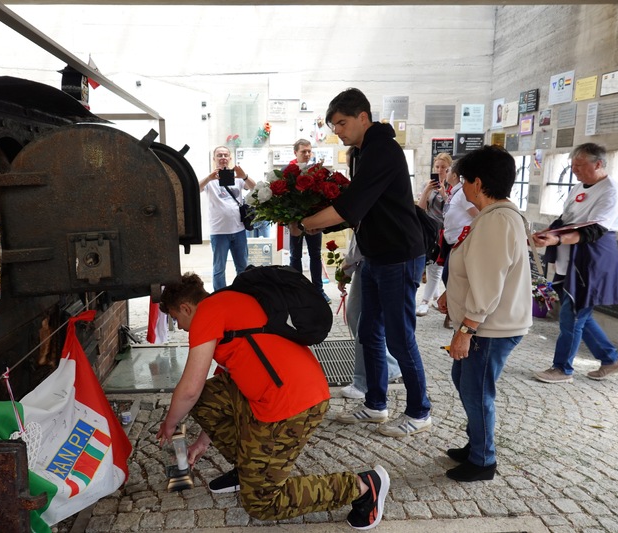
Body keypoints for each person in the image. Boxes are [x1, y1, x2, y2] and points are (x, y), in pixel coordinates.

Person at [155, 273, 390, 530]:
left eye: (177, 319)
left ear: (187, 307)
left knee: (262, 503)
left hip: (292, 404)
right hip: (297, 386)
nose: (180, 327)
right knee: (206, 399)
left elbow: (189, 389)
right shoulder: (229, 302)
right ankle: (248, 468)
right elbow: (221, 394)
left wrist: (170, 423)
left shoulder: (207, 313)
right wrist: (202, 441)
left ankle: (364, 486)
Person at [295, 88, 431, 438]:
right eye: (333, 125)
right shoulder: (360, 152)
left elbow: (352, 207)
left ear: (363, 117)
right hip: (375, 254)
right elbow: (360, 209)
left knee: (401, 339)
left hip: (399, 255)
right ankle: (376, 404)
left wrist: (306, 223)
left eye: (341, 123)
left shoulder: (382, 149)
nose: (337, 130)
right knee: (368, 332)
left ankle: (419, 411)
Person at [436, 145, 532, 482]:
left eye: (463, 180)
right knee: (463, 381)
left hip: (491, 327)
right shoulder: (493, 217)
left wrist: (466, 329)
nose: (460, 187)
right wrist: (452, 290)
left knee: (476, 390)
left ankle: (483, 460)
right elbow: (480, 268)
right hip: (486, 323)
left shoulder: (497, 220)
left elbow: (490, 283)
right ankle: (477, 442)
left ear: (478, 182)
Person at [532, 143, 618, 383]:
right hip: (569, 257)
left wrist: (555, 239)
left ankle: (562, 368)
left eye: (579, 165)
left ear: (598, 164)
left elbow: (593, 230)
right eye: (572, 165)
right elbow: (567, 219)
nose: (574, 170)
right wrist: (547, 232)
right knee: (579, 314)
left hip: (592, 259)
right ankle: (611, 358)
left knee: (572, 316)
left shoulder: (612, 191)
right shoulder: (578, 186)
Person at [337, 233, 402, 399]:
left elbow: (363, 236)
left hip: (380, 261)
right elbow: (360, 236)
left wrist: (348, 264)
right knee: (356, 316)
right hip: (368, 261)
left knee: (366, 325)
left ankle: (364, 382)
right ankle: (389, 367)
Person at [199, 146, 255, 290]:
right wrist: (208, 178)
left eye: (225, 155)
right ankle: (220, 297)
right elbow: (195, 189)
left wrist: (244, 176)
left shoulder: (238, 178)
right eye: (219, 155)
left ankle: (243, 294)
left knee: (242, 266)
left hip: (239, 230)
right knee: (219, 269)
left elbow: (256, 189)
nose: (223, 157)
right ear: (214, 159)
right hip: (219, 232)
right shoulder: (210, 180)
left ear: (230, 158)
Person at [288, 139, 331, 303]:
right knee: (295, 256)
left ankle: (318, 290)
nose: (306, 154)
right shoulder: (289, 171)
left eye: (308, 151)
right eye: (303, 151)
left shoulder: (317, 172)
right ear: (295, 153)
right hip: (295, 222)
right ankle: (297, 290)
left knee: (315, 255)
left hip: (314, 220)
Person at [439, 159, 479, 328]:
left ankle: (455, 313)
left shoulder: (463, 194)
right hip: (452, 241)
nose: (443, 172)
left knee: (450, 276)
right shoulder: (455, 193)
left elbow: (477, 214)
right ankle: (452, 312)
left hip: (460, 242)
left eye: (447, 170)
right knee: (448, 276)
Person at [416, 152, 452, 316]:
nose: (439, 170)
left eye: (443, 167)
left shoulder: (453, 187)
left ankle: (425, 301)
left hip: (444, 230)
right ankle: (436, 295)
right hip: (428, 229)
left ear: (449, 169)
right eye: (437, 167)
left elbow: (450, 209)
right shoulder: (427, 185)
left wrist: (444, 193)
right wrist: (427, 190)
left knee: (436, 266)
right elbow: (421, 208)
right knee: (430, 263)